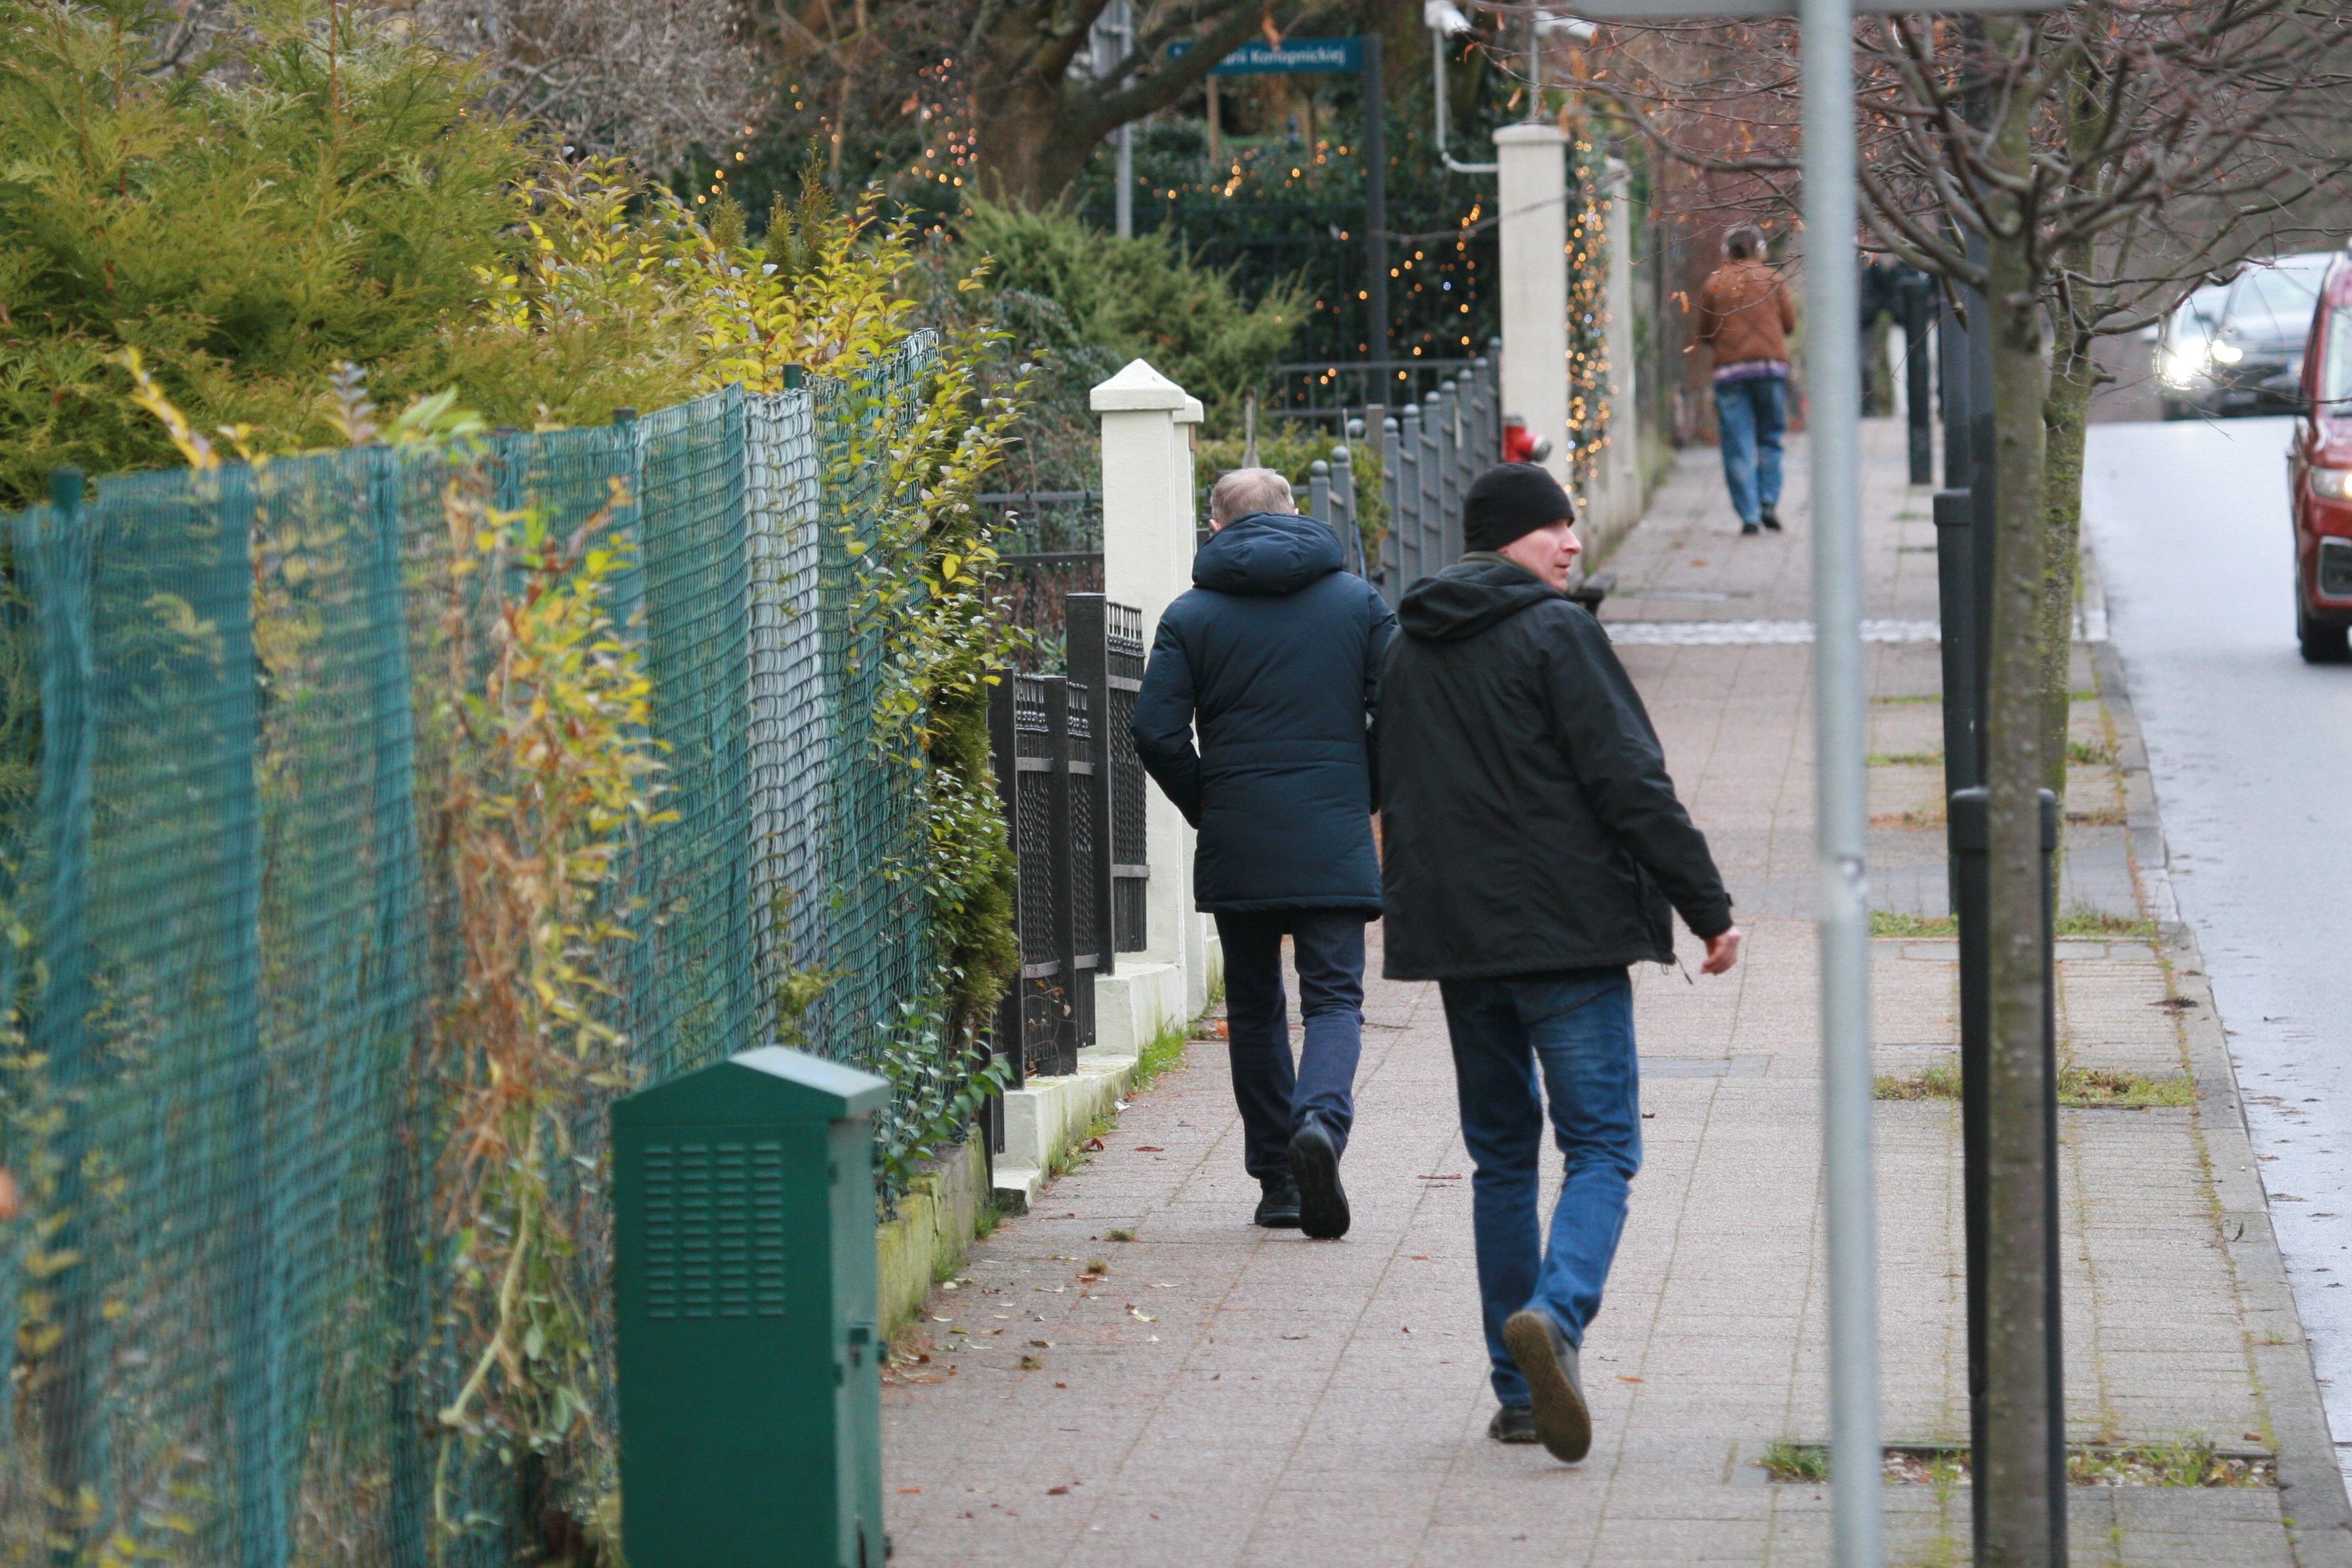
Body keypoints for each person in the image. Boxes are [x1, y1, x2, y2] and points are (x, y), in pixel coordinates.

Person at [1376, 462, 1741, 1462]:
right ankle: (1560, 1318)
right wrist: (1707, 906)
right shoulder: (1557, 633)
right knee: (1603, 1149)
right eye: (1553, 530)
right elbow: (1631, 780)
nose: (1572, 543)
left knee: (1502, 1157)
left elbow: (1391, 794)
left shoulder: (1406, 648)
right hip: (1567, 939)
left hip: (1459, 947)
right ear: (1508, 539)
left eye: (1572, 526)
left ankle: (1519, 1394)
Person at [1132, 467, 1396, 1238]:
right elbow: (1402, 700)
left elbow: (1154, 731)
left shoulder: (1192, 614)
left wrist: (1205, 800)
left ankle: (1280, 1179)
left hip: (1240, 834)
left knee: (1253, 1008)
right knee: (1334, 999)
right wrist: (1364, 788)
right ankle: (1320, 1121)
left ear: (1215, 528)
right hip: (1332, 832)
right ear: (1295, 514)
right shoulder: (1356, 602)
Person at [1695, 224, 1796, 536]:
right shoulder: (1773, 279)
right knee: (1770, 437)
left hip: (1731, 373)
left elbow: (1705, 332)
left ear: (1728, 250)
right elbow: (1789, 324)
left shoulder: (1715, 284)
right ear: (1758, 248)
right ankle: (1768, 501)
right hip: (1769, 370)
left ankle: (1749, 515)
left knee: (1738, 444)